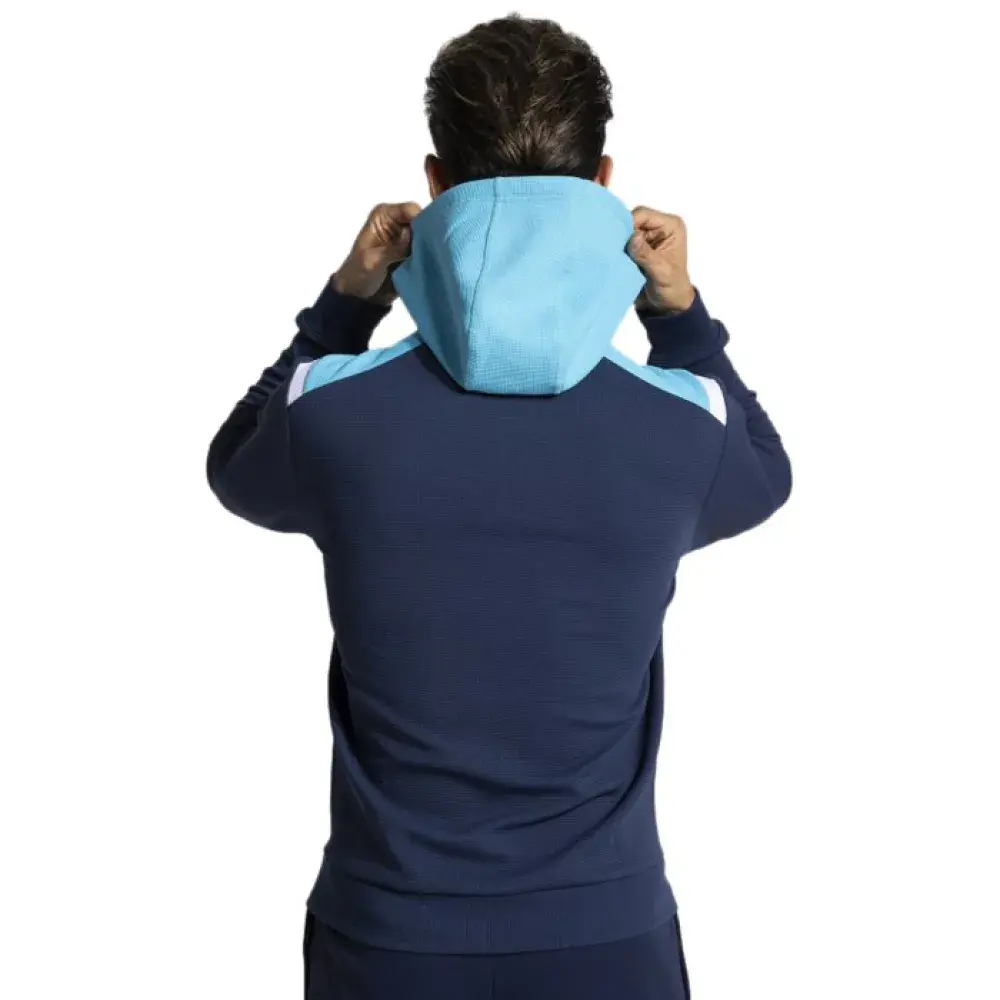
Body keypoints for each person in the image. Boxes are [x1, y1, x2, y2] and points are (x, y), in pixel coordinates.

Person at [207, 14, 791, 1000]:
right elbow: (766, 473)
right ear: (602, 182)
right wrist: (679, 314)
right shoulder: (682, 428)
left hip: (388, 936)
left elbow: (235, 464)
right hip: (605, 937)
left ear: (435, 185)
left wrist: (345, 305)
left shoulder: (330, 416)